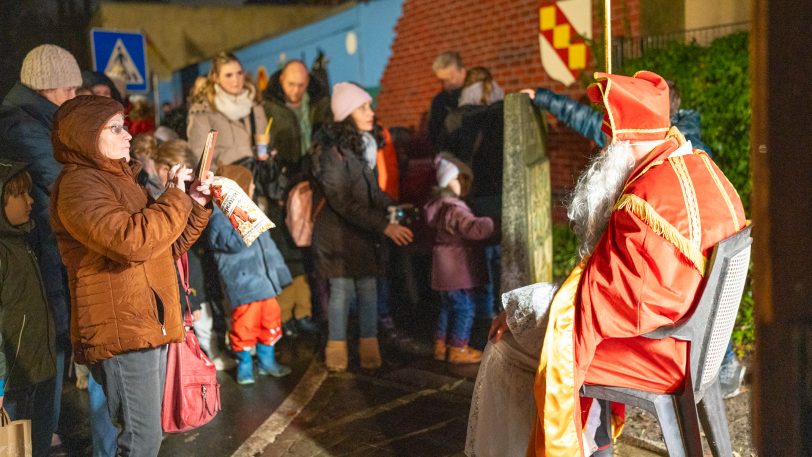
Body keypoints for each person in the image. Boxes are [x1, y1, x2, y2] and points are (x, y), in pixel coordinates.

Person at [489, 71, 746, 457]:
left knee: (510, 345)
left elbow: (604, 304)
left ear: (627, 140)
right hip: (700, 341)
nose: (604, 152)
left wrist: (531, 308)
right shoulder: (700, 167)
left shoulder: (644, 199)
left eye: (610, 141)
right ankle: (595, 445)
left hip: (667, 354)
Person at [50, 95, 213, 457]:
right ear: (85, 135)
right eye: (116, 128)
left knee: (145, 437)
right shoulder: (79, 186)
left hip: (145, 320)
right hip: (121, 327)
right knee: (140, 441)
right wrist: (174, 197)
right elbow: (131, 242)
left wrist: (195, 206)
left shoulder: (121, 180)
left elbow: (165, 247)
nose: (128, 135)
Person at [0, 43, 81, 452]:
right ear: (49, 88)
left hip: (41, 258)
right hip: (35, 261)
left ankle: (35, 437)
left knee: (43, 362)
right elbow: (65, 185)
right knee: (37, 365)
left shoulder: (33, 120)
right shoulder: (22, 127)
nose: (72, 100)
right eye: (70, 91)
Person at [311, 82, 414, 372]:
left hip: (361, 233)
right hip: (338, 238)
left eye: (369, 106)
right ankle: (337, 350)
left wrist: (392, 206)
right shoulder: (332, 153)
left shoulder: (357, 146)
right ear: (346, 114)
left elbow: (370, 191)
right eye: (363, 108)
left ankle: (370, 350)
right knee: (342, 292)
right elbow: (342, 202)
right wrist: (385, 226)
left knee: (369, 290)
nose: (371, 113)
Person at [263, 59, 331, 336]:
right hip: (283, 188)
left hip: (311, 185)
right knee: (285, 250)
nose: (296, 90)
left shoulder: (317, 102)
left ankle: (304, 311)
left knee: (307, 251)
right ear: (281, 81)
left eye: (302, 85)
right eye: (292, 84)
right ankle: (286, 315)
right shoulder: (269, 108)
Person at [207, 164, 292, 384]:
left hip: (265, 282)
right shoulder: (218, 217)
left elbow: (269, 247)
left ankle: (267, 360)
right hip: (245, 284)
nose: (254, 186)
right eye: (250, 183)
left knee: (270, 320)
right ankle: (244, 363)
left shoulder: (252, 209)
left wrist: (280, 273)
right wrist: (246, 220)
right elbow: (232, 244)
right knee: (245, 325)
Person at [0, 161, 57, 457]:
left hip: (27, 371)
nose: (30, 200)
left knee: (27, 445)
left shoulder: (20, 240)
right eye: (20, 194)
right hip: (8, 380)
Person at [424, 156, 495, 364]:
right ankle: (458, 347)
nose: (462, 185)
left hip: (444, 270)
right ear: (447, 182)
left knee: (448, 307)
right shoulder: (454, 209)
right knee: (465, 307)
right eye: (457, 180)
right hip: (456, 269)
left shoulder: (439, 206)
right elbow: (472, 228)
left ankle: (441, 345)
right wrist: (494, 223)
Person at [187, 52, 268, 167]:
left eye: (239, 73)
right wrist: (221, 180)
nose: (236, 80)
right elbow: (200, 158)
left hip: (257, 179)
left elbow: (264, 142)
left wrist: (267, 155)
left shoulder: (255, 105)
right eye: (228, 75)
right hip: (226, 181)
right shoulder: (202, 112)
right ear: (216, 78)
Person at [427, 51, 467, 152]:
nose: (446, 85)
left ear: (462, 73)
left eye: (451, 79)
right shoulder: (439, 101)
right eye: (442, 81)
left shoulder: (480, 95)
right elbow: (434, 134)